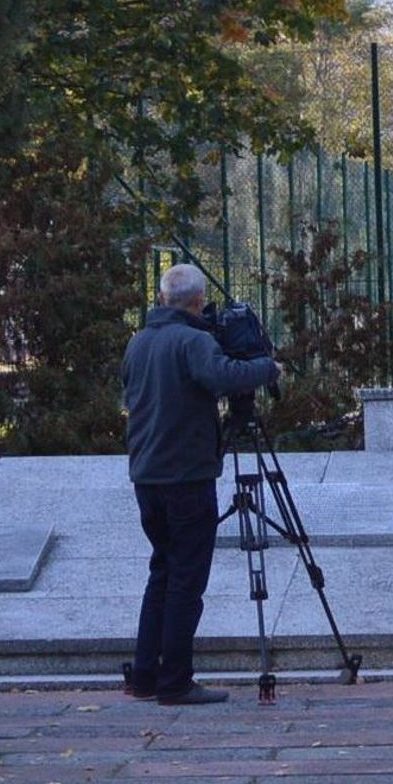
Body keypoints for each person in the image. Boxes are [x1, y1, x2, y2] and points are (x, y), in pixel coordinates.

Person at [122, 263, 281, 705]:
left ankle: (145, 675)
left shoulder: (138, 342)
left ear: (161, 299)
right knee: (186, 581)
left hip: (147, 475)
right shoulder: (193, 342)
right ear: (197, 302)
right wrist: (268, 367)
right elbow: (224, 377)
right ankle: (175, 681)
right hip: (187, 475)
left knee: (162, 570)